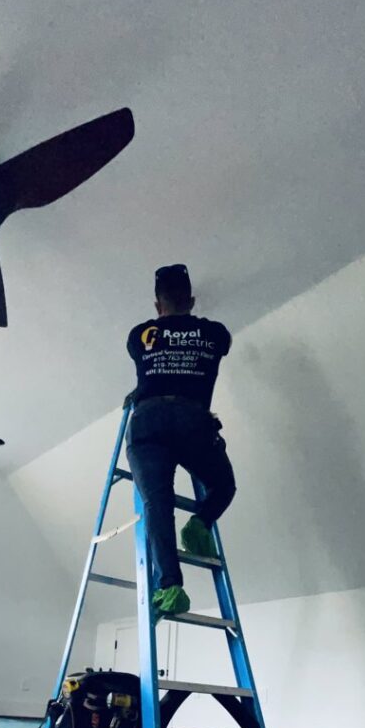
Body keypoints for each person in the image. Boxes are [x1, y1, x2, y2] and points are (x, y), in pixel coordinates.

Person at [126, 264, 236, 619]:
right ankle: (199, 524)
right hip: (192, 421)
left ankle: (170, 587)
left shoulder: (141, 334)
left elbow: (151, 371)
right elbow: (221, 346)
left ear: (157, 306)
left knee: (157, 504)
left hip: (148, 422)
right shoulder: (215, 333)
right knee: (223, 485)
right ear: (191, 300)